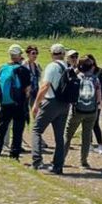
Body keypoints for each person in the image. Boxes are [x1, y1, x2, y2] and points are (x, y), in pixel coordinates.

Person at [31, 43, 74, 173]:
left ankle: (37, 160)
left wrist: (36, 104)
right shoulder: (68, 67)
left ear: (52, 54)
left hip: (51, 101)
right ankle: (58, 166)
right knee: (59, 136)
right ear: (63, 53)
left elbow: (45, 86)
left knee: (36, 130)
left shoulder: (52, 66)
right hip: (65, 104)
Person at [0, 43, 31, 158]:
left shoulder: (1, 68)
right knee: (17, 129)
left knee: (2, 127)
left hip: (4, 103)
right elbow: (28, 90)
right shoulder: (23, 70)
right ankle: (14, 154)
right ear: (19, 55)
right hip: (19, 104)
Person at [65, 54, 102, 168]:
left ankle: (61, 158)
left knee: (68, 135)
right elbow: (99, 97)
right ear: (92, 67)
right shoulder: (95, 79)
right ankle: (84, 161)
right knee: (86, 137)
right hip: (91, 111)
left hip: (77, 110)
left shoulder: (77, 77)